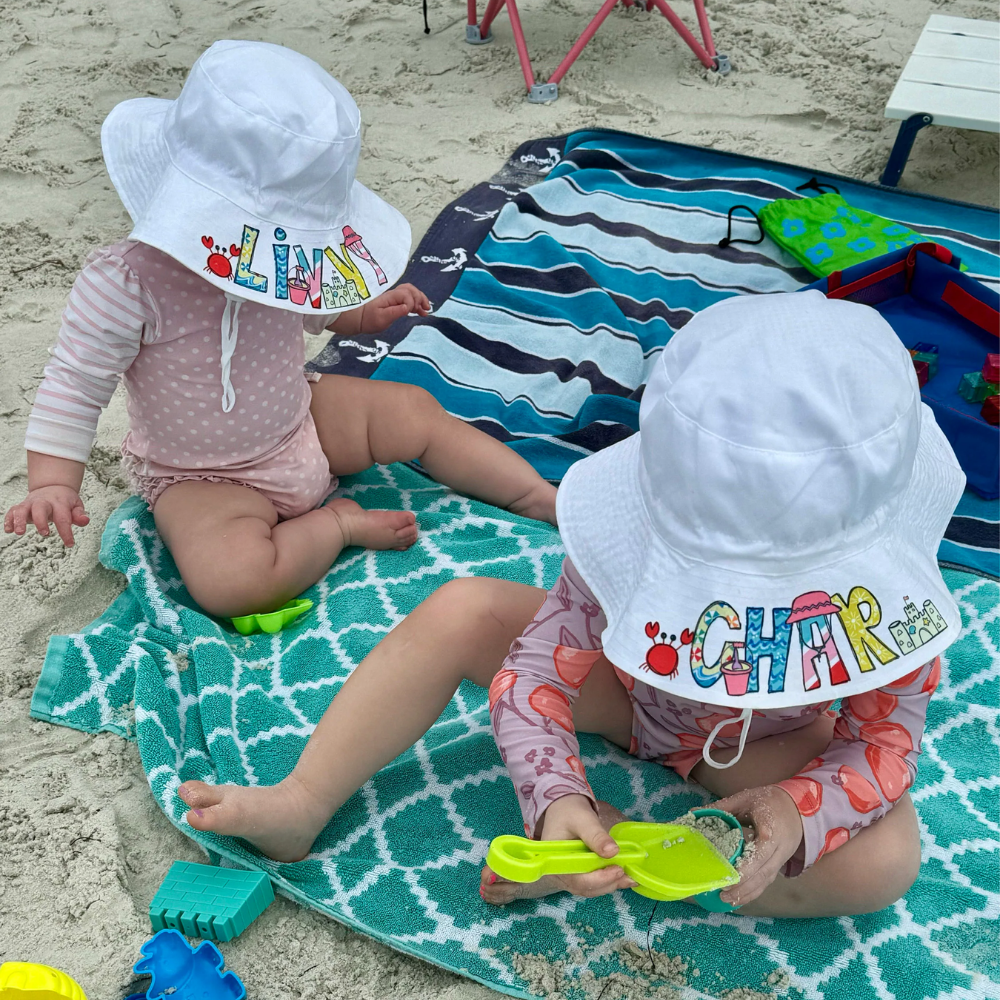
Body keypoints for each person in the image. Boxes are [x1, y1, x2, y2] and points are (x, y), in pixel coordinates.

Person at [174, 292, 964, 918]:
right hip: (626, 691)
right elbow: (533, 677)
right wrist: (556, 796)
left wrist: (795, 810)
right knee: (462, 609)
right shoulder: (634, 536)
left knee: (884, 865)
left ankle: (627, 860)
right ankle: (304, 799)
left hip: (762, 744)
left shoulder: (891, 596)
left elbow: (884, 748)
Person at [3, 40, 556, 618]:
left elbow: (312, 302)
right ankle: (335, 526)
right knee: (232, 583)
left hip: (302, 422)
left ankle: (534, 494)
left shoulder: (284, 254)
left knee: (414, 410)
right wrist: (52, 482)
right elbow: (73, 383)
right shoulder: (127, 281)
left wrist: (363, 313)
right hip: (203, 476)